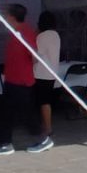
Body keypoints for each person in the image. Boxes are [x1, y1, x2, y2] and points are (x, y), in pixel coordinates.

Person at [0, 4, 37, 156]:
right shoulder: (17, 32)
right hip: (13, 79)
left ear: (12, 17)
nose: (5, 17)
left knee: (27, 113)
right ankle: (5, 144)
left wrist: (24, 68)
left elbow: (34, 56)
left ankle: (43, 138)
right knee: (6, 113)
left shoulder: (25, 32)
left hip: (21, 81)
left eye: (6, 14)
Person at [28, 11, 59, 153]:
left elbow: (35, 56)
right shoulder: (56, 35)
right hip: (52, 73)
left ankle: (47, 128)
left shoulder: (41, 36)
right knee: (46, 101)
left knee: (43, 102)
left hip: (41, 73)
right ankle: (46, 127)